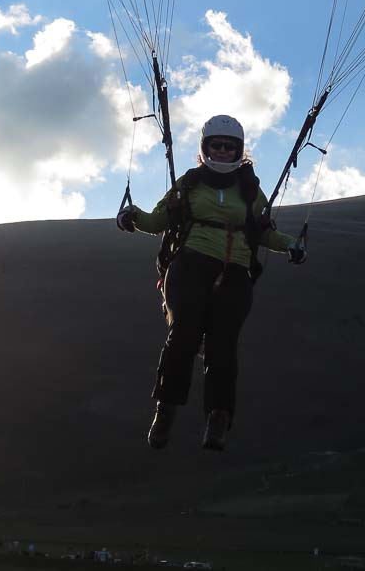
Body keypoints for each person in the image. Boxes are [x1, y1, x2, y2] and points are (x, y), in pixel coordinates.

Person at [116, 114, 308, 451]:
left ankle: (218, 418)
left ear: (239, 150)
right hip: (190, 264)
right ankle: (165, 410)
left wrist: (292, 245)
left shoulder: (250, 191)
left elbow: (264, 232)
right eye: (215, 145)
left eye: (229, 146)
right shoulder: (189, 184)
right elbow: (158, 221)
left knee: (223, 344)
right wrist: (132, 217)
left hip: (235, 271)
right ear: (204, 148)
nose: (222, 150)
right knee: (184, 334)